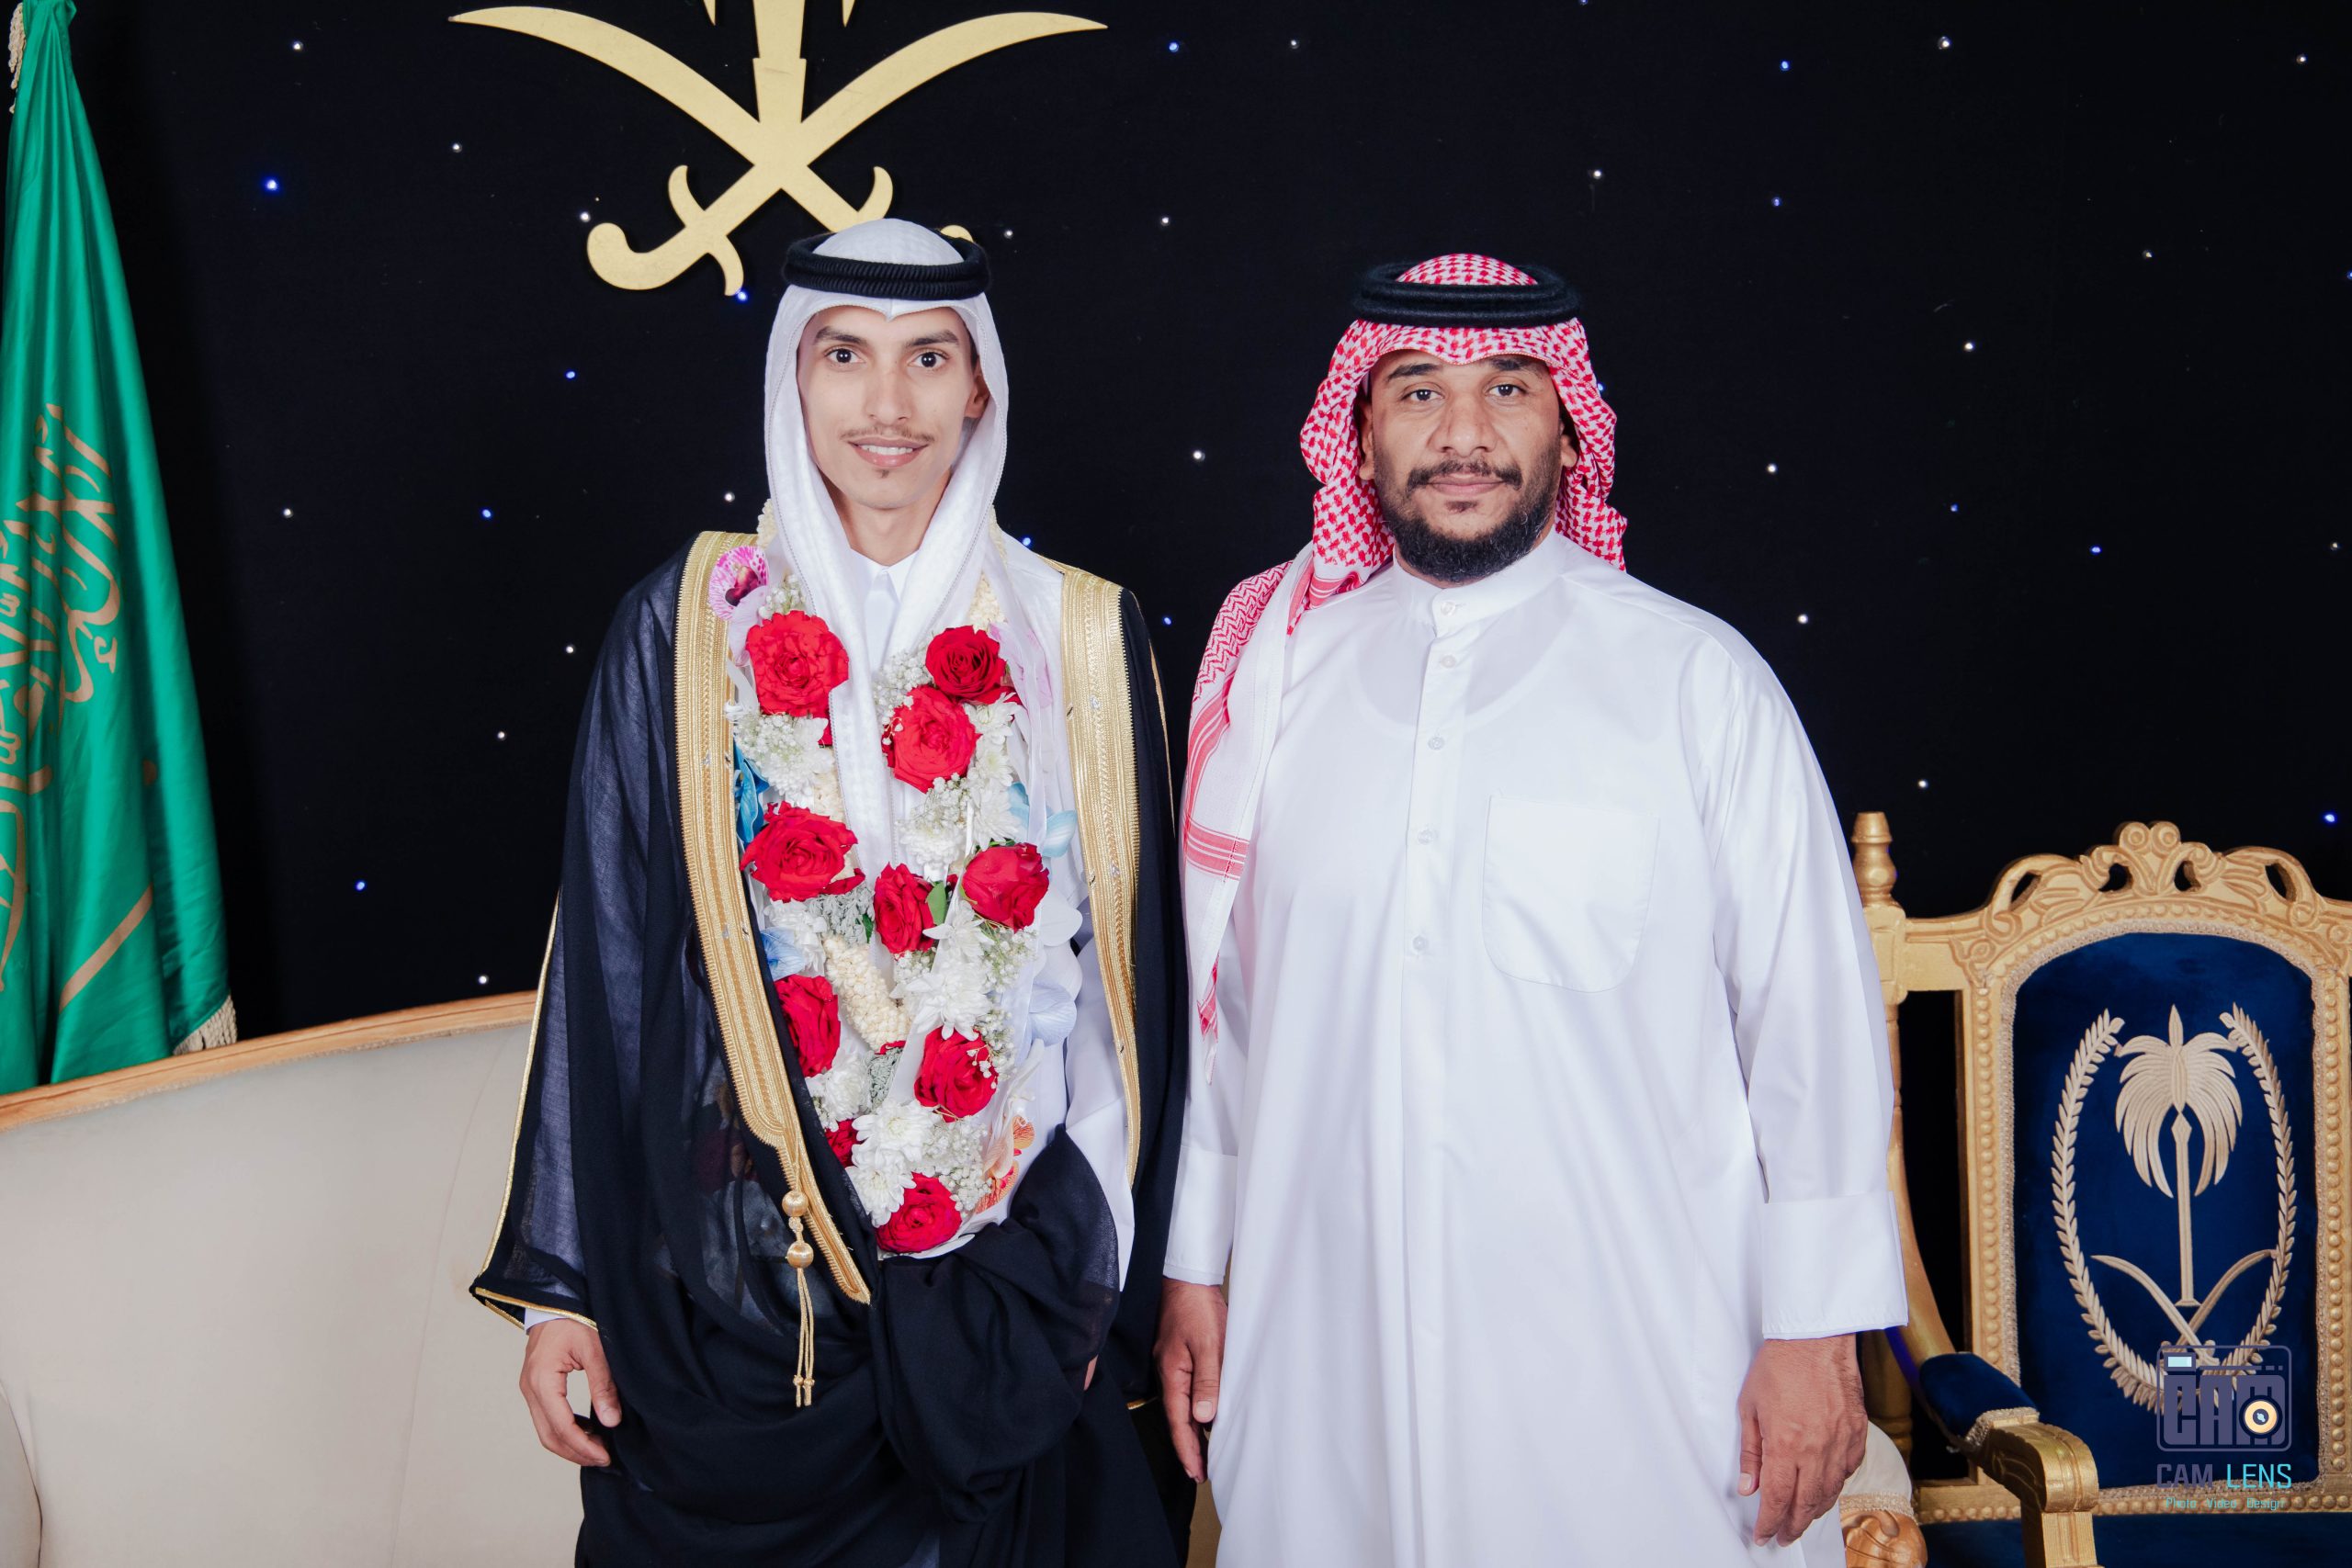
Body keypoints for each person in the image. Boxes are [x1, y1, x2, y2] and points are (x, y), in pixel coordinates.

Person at [1154, 254, 1908, 1565]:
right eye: (1417, 391)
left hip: (1637, 1370)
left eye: (1507, 388)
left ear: (1568, 427)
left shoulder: (1694, 679)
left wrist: (1814, 1332)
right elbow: (1234, 1024)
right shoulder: (1276, 681)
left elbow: (1811, 1033)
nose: (1464, 434)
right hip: (1329, 1348)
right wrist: (1195, 1265)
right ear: (1358, 431)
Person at [473, 219, 1190, 1568]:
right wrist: (564, 1292)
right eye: (844, 356)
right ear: (789, 382)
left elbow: (1121, 994)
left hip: (1009, 1286)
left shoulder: (1077, 635)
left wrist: (1082, 1279)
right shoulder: (688, 627)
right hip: (741, 1300)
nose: (887, 405)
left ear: (980, 387)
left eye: (931, 357)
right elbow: (609, 966)